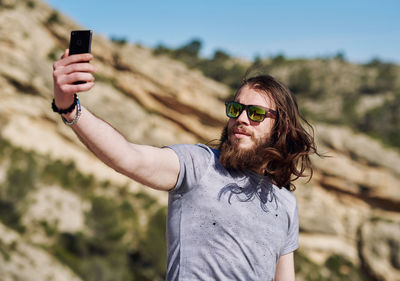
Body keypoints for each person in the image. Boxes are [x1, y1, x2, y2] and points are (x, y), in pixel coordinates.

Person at [52, 49, 317, 281]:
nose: (242, 119)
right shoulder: (199, 165)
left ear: (280, 128)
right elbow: (128, 157)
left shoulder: (285, 203)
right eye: (236, 109)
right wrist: (71, 109)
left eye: (256, 113)